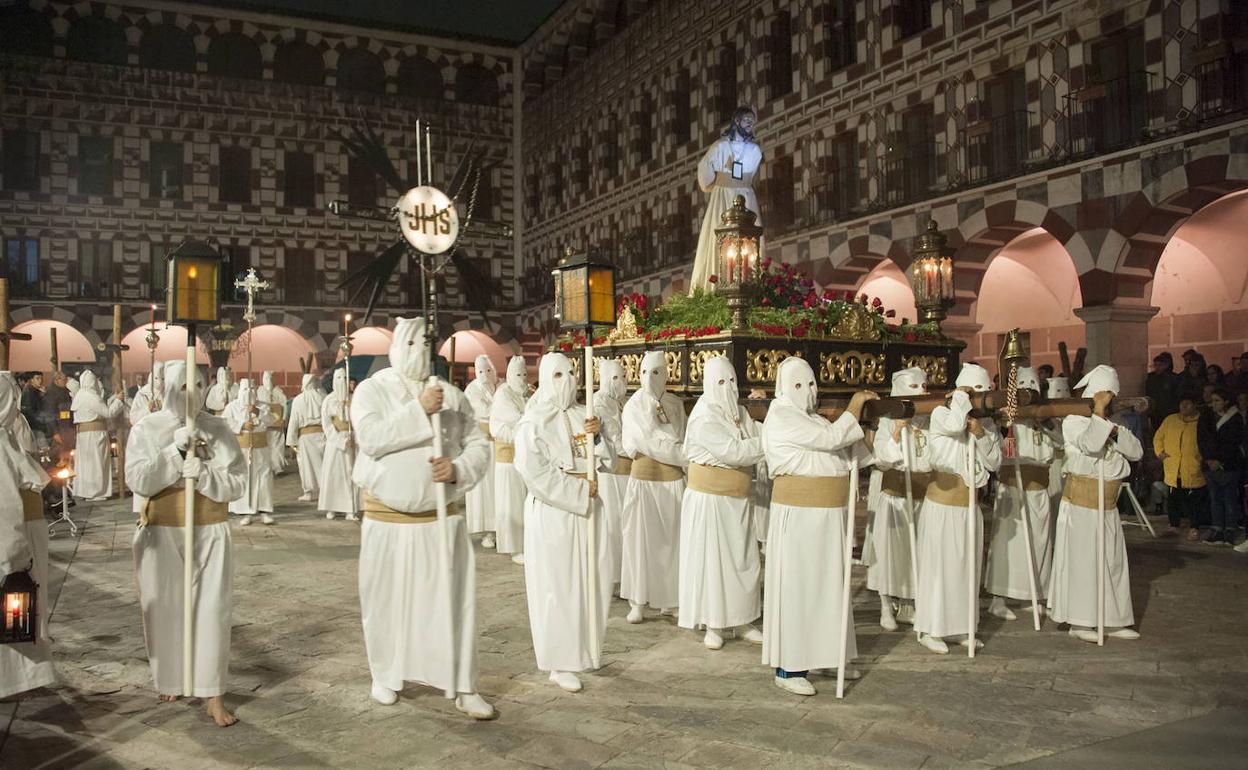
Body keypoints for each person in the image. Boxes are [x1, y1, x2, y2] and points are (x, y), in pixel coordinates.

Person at [351, 317, 495, 719]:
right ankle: (386, 674)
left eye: (424, 343)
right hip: (387, 522)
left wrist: (458, 469)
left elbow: (478, 444)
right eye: (410, 342)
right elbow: (372, 439)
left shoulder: (452, 394)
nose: (417, 350)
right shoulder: (371, 391)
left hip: (440, 520)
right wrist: (418, 411)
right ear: (397, 344)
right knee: (385, 603)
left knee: (453, 605)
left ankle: (463, 684)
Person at [126, 360, 246, 726]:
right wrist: (174, 455)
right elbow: (138, 480)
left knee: (212, 609)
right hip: (163, 530)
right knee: (164, 608)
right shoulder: (148, 428)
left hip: (210, 530)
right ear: (167, 387)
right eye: (182, 385)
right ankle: (172, 677)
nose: (190, 393)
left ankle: (213, 693)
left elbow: (237, 482)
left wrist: (205, 473)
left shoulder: (218, 428)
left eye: (197, 383)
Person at [762, 357, 875, 695]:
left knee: (827, 586)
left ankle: (826, 655)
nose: (808, 391)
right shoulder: (782, 415)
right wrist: (854, 407)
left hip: (828, 517)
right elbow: (830, 442)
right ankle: (789, 667)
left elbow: (849, 451)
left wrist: (863, 430)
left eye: (811, 384)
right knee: (800, 589)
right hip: (799, 516)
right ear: (783, 388)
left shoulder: (813, 419)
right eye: (798, 385)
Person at [514, 352, 613, 693]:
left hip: (589, 509)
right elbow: (534, 473)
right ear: (543, 377)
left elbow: (606, 460)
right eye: (558, 375)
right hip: (557, 512)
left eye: (571, 373)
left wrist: (598, 437)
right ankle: (560, 661)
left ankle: (586, 650)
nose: (567, 380)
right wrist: (578, 490)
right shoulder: (533, 421)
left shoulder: (582, 415)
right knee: (559, 586)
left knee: (591, 581)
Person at [1048, 365, 1144, 643]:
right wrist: (1099, 416)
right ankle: (1080, 620)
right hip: (1081, 505)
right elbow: (1090, 446)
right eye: (1107, 395)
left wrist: (1112, 430)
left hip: (1107, 506)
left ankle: (1112, 619)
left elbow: (1136, 452)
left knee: (1111, 563)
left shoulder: (1114, 425)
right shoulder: (1074, 421)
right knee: (1084, 562)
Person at [677, 356, 765, 650]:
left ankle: (741, 619)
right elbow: (734, 452)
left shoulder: (738, 411)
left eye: (732, 381)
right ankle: (713, 623)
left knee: (742, 562)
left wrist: (773, 434)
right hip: (710, 502)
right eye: (720, 382)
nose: (728, 387)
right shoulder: (704, 416)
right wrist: (770, 443)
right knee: (713, 563)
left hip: (737, 500)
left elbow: (755, 436)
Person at [914, 363, 1002, 655]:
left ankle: (962, 627)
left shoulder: (985, 426)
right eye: (974, 392)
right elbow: (953, 425)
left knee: (966, 568)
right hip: (942, 505)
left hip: (969, 506)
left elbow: (995, 462)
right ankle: (931, 628)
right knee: (940, 570)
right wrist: (960, 398)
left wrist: (981, 434)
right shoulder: (941, 414)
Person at [984, 367, 1060, 620]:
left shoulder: (1046, 418)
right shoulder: (1008, 418)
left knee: (1039, 543)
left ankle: (1033, 593)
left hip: (1039, 490)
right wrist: (1007, 426)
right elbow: (1005, 451)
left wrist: (1046, 422)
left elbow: (1061, 441)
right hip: (1014, 488)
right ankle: (998, 598)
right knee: (1010, 545)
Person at [620, 350, 688, 623]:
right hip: (644, 483)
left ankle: (670, 599)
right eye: (645, 372)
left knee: (672, 542)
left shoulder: (675, 404)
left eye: (657, 372)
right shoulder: (633, 406)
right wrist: (680, 453)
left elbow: (681, 437)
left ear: (666, 373)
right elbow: (644, 442)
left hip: (672, 483)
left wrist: (674, 449)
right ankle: (638, 600)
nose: (650, 378)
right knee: (640, 541)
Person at [0, 371, 55, 700]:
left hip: (20, 531)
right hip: (16, 539)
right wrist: (15, 557)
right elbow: (7, 506)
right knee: (18, 610)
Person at [865, 367, 929, 631]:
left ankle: (908, 602)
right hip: (893, 494)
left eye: (923, 387)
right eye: (913, 387)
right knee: (890, 551)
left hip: (920, 493)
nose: (921, 392)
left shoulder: (927, 419)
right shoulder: (886, 419)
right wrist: (896, 431)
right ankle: (884, 603)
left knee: (914, 552)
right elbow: (879, 457)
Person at [690, 107, 763, 294]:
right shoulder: (720, 147)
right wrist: (712, 184)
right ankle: (718, 285)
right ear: (737, 121)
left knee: (750, 240)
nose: (750, 124)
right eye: (747, 120)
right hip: (723, 195)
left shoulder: (755, 151)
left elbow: (751, 173)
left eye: (752, 121)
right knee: (721, 239)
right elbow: (704, 168)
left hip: (746, 195)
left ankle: (749, 285)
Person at [490, 356, 530, 564]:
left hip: (523, 455)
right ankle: (514, 546)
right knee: (511, 503)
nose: (522, 379)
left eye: (524, 374)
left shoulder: (526, 392)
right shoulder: (503, 393)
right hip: (508, 457)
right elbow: (518, 420)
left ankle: (526, 543)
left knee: (524, 502)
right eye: (518, 374)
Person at [222, 378, 276, 527]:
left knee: (263, 478)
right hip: (242, 448)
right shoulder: (232, 407)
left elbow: (272, 420)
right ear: (240, 390)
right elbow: (224, 423)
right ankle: (246, 511)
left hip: (260, 448)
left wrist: (257, 412)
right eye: (246, 389)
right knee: (245, 478)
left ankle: (264, 510)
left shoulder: (263, 407)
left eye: (252, 389)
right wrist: (241, 425)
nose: (249, 392)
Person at [594, 359, 629, 588]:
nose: (621, 382)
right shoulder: (598, 403)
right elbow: (613, 438)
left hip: (628, 472)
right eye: (615, 378)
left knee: (625, 524)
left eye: (623, 376)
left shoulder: (624, 402)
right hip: (610, 472)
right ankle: (611, 576)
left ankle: (625, 574)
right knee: (611, 524)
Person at [1154, 393, 1207, 540]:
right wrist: (1160, 452)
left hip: (1192, 466)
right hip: (1173, 467)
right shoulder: (1171, 420)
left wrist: (1201, 458)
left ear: (1195, 405)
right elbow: (1159, 437)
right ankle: (1173, 524)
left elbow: (1206, 442)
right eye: (1181, 404)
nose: (1184, 407)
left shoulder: (1201, 421)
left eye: (1188, 404)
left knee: (1194, 501)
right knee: (1174, 498)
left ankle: (1194, 527)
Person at [1197, 388, 1244, 545]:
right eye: (1213, 400)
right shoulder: (1207, 416)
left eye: (1217, 400)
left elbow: (1234, 442)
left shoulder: (1235, 418)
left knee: (1229, 498)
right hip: (1210, 465)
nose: (1214, 404)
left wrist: (1220, 460)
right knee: (1214, 498)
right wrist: (1209, 459)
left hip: (1228, 465)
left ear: (1226, 402)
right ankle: (1216, 527)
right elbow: (1202, 439)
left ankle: (1230, 528)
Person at [71, 371, 125, 501]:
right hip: (95, 435)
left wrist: (113, 399)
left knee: (86, 465)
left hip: (83, 435)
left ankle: (87, 491)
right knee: (96, 463)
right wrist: (118, 401)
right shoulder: (91, 396)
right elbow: (108, 412)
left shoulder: (80, 395)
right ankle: (96, 492)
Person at [463, 354, 498, 548]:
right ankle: (488, 531)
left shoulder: (500, 387)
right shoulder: (472, 390)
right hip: (484, 444)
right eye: (481, 371)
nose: (485, 374)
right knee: (485, 490)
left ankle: (502, 527)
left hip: (500, 445)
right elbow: (484, 411)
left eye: (489, 370)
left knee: (499, 487)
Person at [319, 368, 360, 522]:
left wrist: (352, 408)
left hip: (352, 439)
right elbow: (327, 425)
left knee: (351, 474)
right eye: (338, 378)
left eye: (344, 378)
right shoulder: (329, 400)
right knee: (335, 475)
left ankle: (351, 508)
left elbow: (360, 419)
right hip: (336, 443)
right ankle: (332, 507)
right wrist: (340, 441)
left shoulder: (353, 399)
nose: (341, 381)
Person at [286, 373, 326, 503]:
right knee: (324, 465)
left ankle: (308, 492)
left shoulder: (298, 400)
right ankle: (324, 491)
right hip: (323, 436)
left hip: (306, 439)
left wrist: (291, 442)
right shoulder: (324, 398)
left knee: (305, 466)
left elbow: (294, 422)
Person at [256, 371, 288, 474]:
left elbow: (284, 405)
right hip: (264, 423)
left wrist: (283, 418)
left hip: (277, 424)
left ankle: (277, 466)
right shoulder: (259, 391)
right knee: (266, 445)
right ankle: (266, 466)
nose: (268, 381)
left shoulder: (278, 391)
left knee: (277, 445)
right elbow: (257, 406)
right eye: (266, 379)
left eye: (270, 379)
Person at [43, 371, 74, 459]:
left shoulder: (66, 392)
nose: (65, 381)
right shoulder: (51, 394)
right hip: (58, 427)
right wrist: (54, 432)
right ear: (57, 380)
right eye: (63, 380)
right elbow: (49, 413)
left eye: (66, 379)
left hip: (67, 427)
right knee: (59, 453)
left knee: (68, 452)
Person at [1145, 353, 1182, 424]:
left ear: (1166, 365)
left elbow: (1177, 395)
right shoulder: (1151, 378)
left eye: (1160, 365)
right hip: (1155, 412)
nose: (1157, 367)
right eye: (1155, 365)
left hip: (1169, 412)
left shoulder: (1173, 378)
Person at [19, 372, 47, 447]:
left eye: (41, 378)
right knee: (42, 447)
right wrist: (42, 421)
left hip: (37, 424)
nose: (40, 380)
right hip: (34, 425)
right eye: (37, 378)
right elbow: (29, 410)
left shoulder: (37, 391)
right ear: (31, 380)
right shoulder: (29, 391)